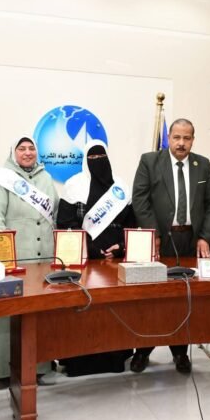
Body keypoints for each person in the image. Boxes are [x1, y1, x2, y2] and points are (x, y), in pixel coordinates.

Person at [131, 118, 210, 374]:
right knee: (152, 298)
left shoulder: (202, 164)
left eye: (187, 138)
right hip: (161, 239)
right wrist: (154, 234)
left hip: (190, 240)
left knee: (183, 299)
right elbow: (140, 200)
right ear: (168, 137)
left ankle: (180, 352)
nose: (181, 143)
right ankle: (143, 350)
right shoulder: (150, 161)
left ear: (193, 140)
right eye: (177, 137)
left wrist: (205, 236)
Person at [57, 140, 135, 376]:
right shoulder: (73, 186)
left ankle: (114, 359)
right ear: (85, 161)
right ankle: (80, 363)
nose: (97, 162)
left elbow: (131, 225)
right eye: (92, 159)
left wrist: (121, 247)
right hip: (84, 261)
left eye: (101, 158)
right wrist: (90, 249)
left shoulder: (120, 187)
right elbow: (65, 224)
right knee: (84, 310)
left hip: (115, 262)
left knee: (112, 312)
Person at [0, 136, 58, 383]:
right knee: (9, 314)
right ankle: (5, 370)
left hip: (44, 255)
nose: (27, 152)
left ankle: (40, 366)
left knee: (39, 312)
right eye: (22, 148)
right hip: (15, 257)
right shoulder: (3, 179)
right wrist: (3, 256)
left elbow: (54, 213)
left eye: (31, 148)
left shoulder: (46, 178)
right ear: (13, 152)